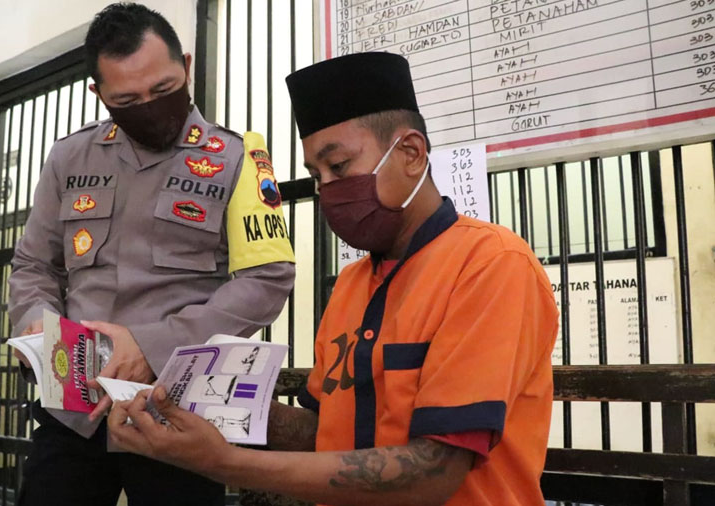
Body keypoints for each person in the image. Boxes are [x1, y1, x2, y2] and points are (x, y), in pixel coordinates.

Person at [106, 52, 559, 506]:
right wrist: (203, 405)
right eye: (316, 176)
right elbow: (327, 433)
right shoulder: (351, 286)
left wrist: (221, 461)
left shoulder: (490, 265)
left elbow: (435, 470)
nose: (327, 190)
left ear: (411, 154)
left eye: (339, 166)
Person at [7, 3, 295, 505]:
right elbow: (34, 265)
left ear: (185, 65)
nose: (150, 106)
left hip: (178, 409)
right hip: (74, 409)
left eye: (163, 90)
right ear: (98, 94)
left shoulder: (237, 158)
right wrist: (37, 322)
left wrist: (150, 347)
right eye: (127, 99)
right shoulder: (69, 158)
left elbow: (267, 279)